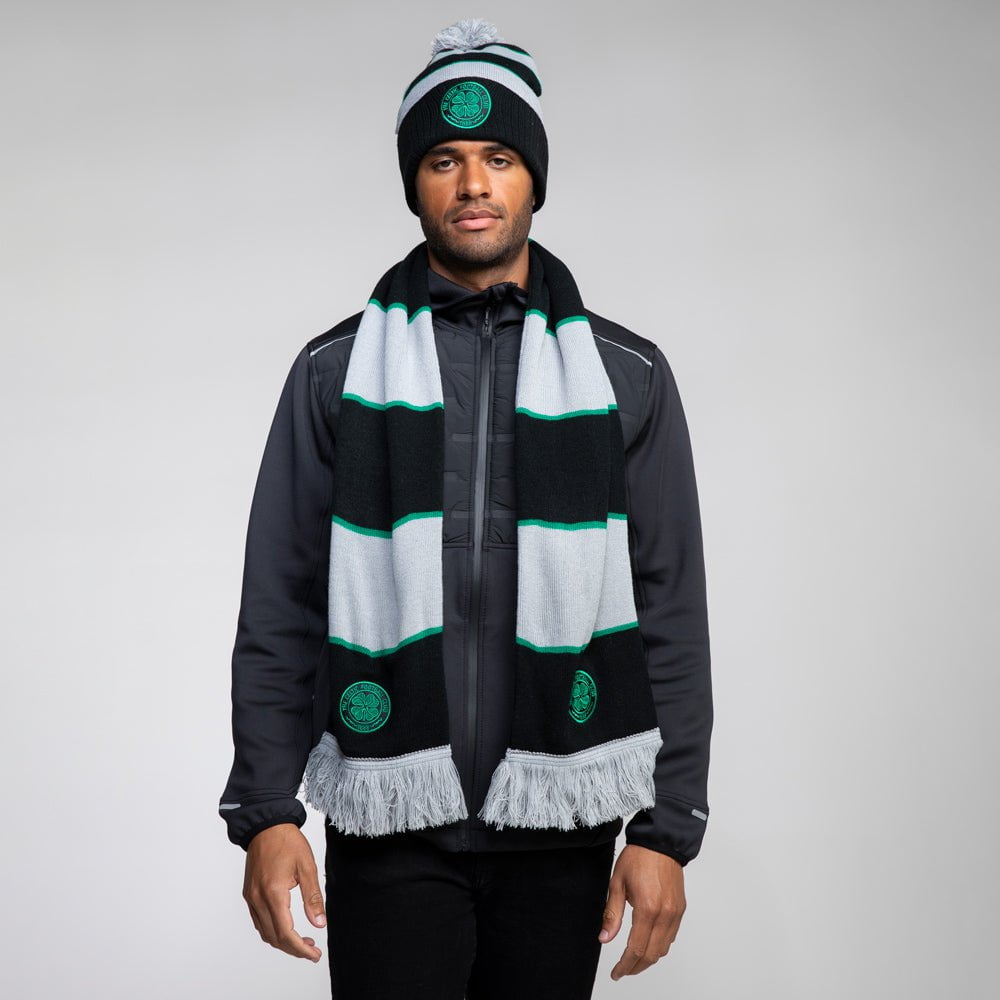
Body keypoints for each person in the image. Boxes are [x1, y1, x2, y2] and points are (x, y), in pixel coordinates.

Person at [218, 18, 713, 1000]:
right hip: (387, 823)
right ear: (415, 184)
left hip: (561, 823)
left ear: (533, 179)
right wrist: (267, 810)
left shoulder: (627, 375)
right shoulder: (333, 374)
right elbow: (280, 601)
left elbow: (669, 608)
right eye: (444, 160)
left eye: (499, 158)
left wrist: (667, 828)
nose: (474, 184)